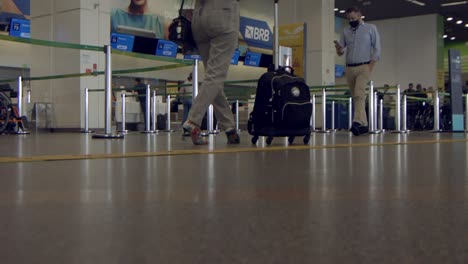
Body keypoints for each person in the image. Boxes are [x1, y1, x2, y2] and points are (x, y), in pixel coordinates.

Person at [182, 0, 240, 145]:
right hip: (223, 15)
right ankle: (193, 121)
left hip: (199, 17)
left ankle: (229, 128)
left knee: (213, 78)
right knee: (215, 76)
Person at [335, 6, 381, 136]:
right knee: (356, 97)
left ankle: (356, 122)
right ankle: (364, 125)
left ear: (360, 15)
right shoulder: (345, 31)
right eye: (349, 19)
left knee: (359, 94)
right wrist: (339, 49)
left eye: (353, 18)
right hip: (349, 67)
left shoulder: (371, 29)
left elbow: (377, 49)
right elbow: (341, 51)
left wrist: (370, 66)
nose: (351, 20)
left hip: (363, 67)